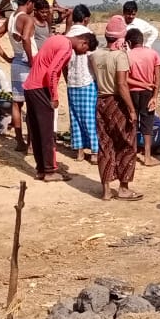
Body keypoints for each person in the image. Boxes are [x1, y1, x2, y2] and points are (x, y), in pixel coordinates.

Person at [23, 25, 93, 181]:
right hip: (41, 88)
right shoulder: (66, 47)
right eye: (85, 50)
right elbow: (52, 72)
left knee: (36, 130)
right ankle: (49, 171)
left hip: (30, 86)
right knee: (47, 132)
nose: (83, 53)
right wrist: (54, 96)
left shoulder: (55, 38)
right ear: (83, 42)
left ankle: (41, 168)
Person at [91, 16, 142, 200]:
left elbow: (96, 77)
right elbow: (121, 85)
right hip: (117, 102)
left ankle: (105, 190)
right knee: (127, 144)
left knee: (105, 145)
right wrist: (131, 109)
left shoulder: (95, 55)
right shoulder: (120, 56)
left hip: (101, 101)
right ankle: (123, 187)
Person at [6, 0, 39, 150]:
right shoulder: (27, 18)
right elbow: (26, 38)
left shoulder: (11, 18)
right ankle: (31, 143)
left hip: (16, 60)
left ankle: (19, 142)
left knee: (17, 103)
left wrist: (6, 57)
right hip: (27, 61)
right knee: (32, 105)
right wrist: (32, 61)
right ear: (30, 2)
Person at [125, 27, 160, 166]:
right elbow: (158, 77)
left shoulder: (127, 55)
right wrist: (155, 96)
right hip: (148, 92)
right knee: (147, 123)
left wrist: (140, 83)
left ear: (129, 42)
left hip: (132, 92)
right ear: (142, 40)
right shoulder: (153, 54)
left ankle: (131, 153)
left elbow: (125, 79)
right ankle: (147, 156)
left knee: (132, 122)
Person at [64, 22, 99, 165]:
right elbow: (94, 61)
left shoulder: (67, 38)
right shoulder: (87, 36)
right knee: (90, 118)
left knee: (75, 118)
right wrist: (100, 81)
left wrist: (67, 80)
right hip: (87, 81)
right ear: (86, 19)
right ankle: (95, 152)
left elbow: (63, 65)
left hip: (72, 82)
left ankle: (79, 152)